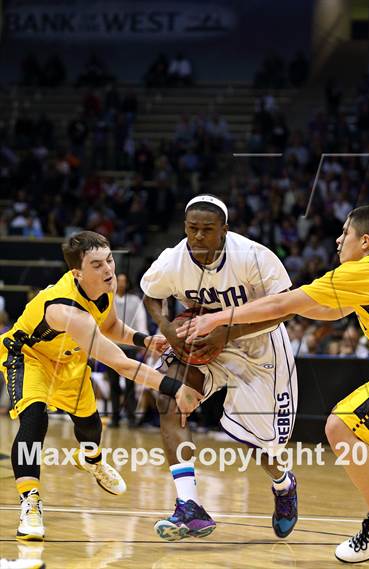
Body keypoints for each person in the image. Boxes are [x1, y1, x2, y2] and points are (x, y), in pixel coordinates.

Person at [178, 205, 369, 563]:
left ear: (365, 241)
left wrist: (218, 318)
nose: (338, 240)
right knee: (357, 433)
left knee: (341, 426)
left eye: (345, 233)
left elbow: (289, 300)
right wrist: (269, 311)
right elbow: (324, 310)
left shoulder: (366, 269)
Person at [0, 231, 202, 542]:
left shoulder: (104, 292)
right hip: (30, 357)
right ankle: (30, 502)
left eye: (109, 260)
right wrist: (175, 387)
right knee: (34, 418)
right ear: (76, 272)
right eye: (97, 265)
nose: (108, 270)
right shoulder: (66, 309)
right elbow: (120, 364)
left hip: (68, 359)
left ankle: (90, 460)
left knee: (90, 426)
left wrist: (145, 340)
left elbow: (109, 327)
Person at [141, 195, 298, 541]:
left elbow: (287, 307)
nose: (197, 237)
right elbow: (150, 293)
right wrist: (166, 327)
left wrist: (231, 331)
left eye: (206, 230)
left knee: (264, 449)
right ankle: (189, 506)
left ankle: (283, 484)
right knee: (169, 397)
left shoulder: (254, 256)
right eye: (192, 229)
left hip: (259, 345)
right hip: (204, 343)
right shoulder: (172, 260)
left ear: (224, 230)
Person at [107, 273, 149, 428]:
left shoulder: (134, 300)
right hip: (111, 347)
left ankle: (131, 418)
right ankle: (115, 418)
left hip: (129, 347)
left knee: (130, 383)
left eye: (124, 281)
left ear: (128, 283)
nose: (122, 283)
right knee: (113, 384)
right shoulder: (108, 299)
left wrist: (144, 342)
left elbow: (141, 320)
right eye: (119, 281)